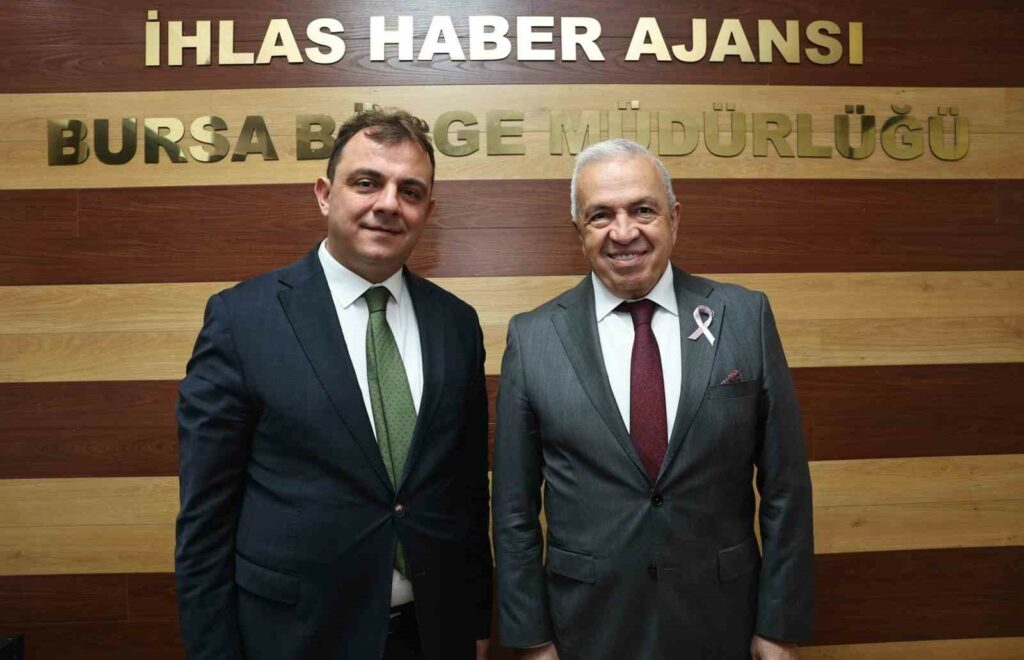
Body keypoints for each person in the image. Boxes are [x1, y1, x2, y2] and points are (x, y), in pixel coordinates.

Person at [175, 108, 492, 660]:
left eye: (410, 191)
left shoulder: (457, 324)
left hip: (433, 636)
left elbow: (466, 495)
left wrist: (477, 622)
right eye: (367, 182)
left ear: (427, 210)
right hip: (296, 638)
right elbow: (205, 519)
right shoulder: (242, 320)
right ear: (325, 194)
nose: (388, 203)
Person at [492, 138, 813, 660]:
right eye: (601, 215)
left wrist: (779, 626)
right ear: (579, 230)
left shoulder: (744, 317)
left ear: (674, 218)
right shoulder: (533, 339)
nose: (624, 232)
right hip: (586, 627)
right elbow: (513, 508)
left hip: (721, 620)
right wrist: (531, 640)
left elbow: (786, 487)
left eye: (643, 210)